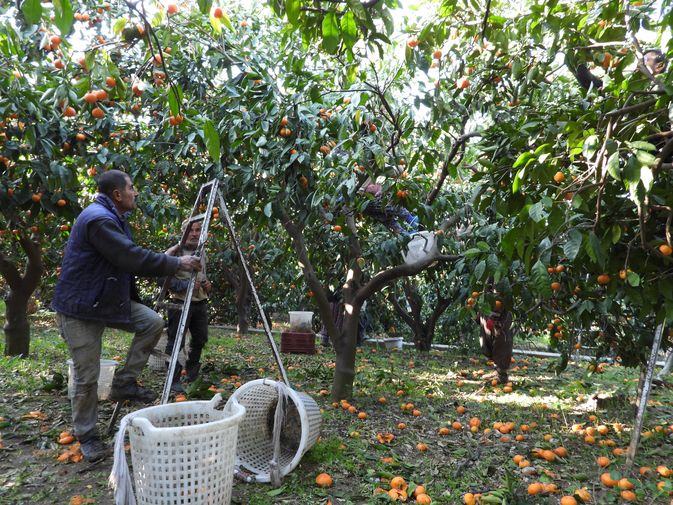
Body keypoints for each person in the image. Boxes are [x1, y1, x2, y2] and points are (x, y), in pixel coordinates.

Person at [52, 170, 202, 462]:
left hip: (104, 300)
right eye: (132, 188)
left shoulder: (112, 218)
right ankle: (87, 435)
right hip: (80, 308)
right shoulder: (99, 219)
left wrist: (167, 258)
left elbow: (126, 257)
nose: (136, 193)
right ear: (117, 194)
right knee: (87, 375)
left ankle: (124, 382)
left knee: (151, 322)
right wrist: (177, 262)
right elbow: (130, 257)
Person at [163, 219, 212, 392]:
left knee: (199, 339)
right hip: (180, 303)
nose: (194, 233)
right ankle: (173, 377)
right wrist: (186, 287)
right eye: (190, 230)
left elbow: (202, 274)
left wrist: (206, 284)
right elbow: (164, 280)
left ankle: (192, 373)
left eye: (198, 230)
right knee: (176, 341)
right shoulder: (175, 253)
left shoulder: (201, 250)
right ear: (183, 232)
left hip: (199, 303)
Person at [477, 309, 513, 384]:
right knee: (487, 337)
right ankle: (497, 371)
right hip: (488, 307)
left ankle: (502, 374)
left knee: (501, 339)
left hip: (501, 309)